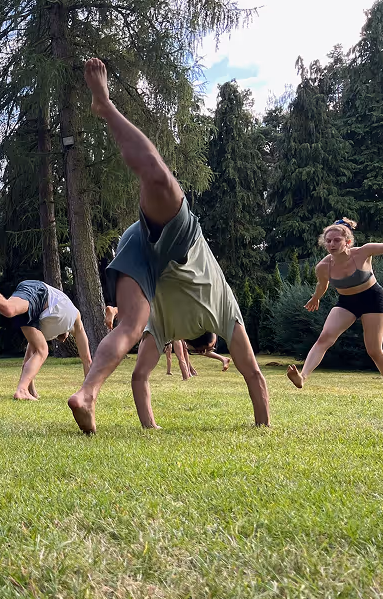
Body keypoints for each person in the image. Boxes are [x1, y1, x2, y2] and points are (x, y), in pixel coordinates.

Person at [67, 58, 269, 432]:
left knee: (128, 326)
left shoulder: (165, 325)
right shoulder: (223, 309)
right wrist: (264, 428)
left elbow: (140, 379)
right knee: (158, 177)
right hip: (181, 243)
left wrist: (152, 428)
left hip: (139, 247)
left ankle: (87, 393)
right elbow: (253, 375)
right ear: (197, 340)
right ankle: (105, 105)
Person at [286, 219, 383, 396]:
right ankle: (302, 377)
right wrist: (316, 298)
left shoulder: (363, 252)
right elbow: (322, 285)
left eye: (337, 240)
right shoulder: (323, 267)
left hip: (373, 300)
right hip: (347, 302)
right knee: (325, 338)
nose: (332, 244)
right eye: (328, 241)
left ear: (348, 242)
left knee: (374, 350)